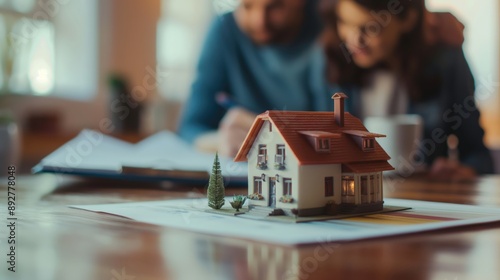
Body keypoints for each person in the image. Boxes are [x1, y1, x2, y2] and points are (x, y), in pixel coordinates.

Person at [320, 0, 494, 180]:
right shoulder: (330, 64)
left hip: (421, 198)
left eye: (371, 28)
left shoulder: (446, 63)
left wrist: (463, 171)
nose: (355, 40)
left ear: (408, 19)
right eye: (345, 23)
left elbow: (478, 156)